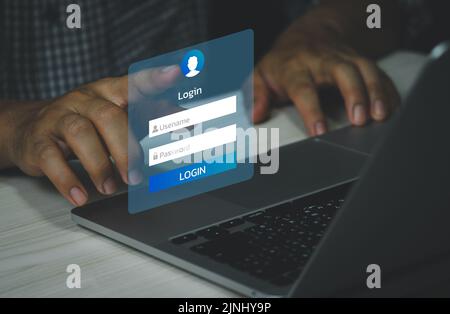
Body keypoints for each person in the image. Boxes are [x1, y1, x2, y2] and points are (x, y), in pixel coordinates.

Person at [0, 0, 426, 207]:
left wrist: (320, 30)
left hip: (209, 163)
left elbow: (393, 9)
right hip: (41, 206)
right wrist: (14, 126)